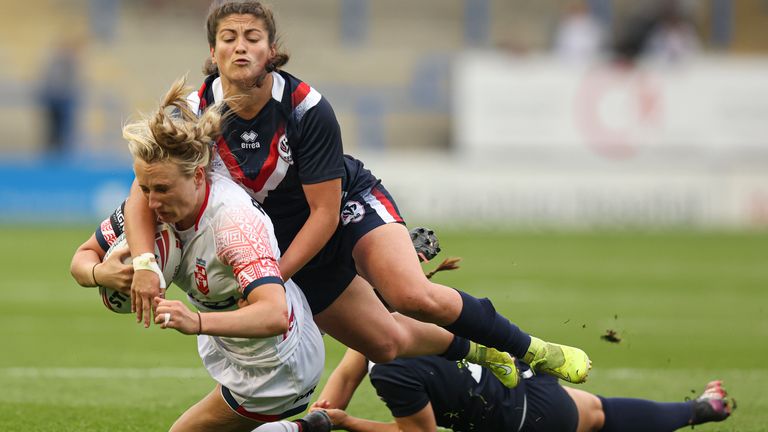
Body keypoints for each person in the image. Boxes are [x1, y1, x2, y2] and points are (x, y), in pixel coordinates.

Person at [123, 0, 591, 387]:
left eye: (252, 37)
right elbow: (141, 193)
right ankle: (480, 350)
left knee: (413, 295)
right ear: (213, 50)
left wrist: (269, 279)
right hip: (282, 239)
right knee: (384, 345)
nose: (241, 47)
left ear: (271, 50)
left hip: (342, 210)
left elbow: (324, 214)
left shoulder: (307, 108)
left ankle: (533, 348)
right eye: (229, 38)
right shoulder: (188, 112)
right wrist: (144, 264)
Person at [70, 77, 331, 432]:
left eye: (161, 189)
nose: (151, 202)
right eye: (143, 188)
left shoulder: (232, 224)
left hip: (279, 365)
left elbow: (274, 314)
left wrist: (196, 322)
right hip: (231, 347)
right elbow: (82, 258)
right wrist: (104, 274)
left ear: (196, 176)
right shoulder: (152, 209)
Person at [310, 348, 733, 432]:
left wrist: (347, 422)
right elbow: (348, 374)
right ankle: (700, 409)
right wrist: (321, 415)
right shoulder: (402, 316)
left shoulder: (391, 374)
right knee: (601, 413)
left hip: (526, 422)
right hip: (528, 386)